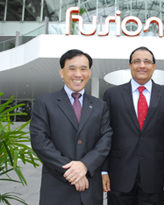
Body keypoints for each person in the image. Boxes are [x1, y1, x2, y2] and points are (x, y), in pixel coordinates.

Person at [30, 49, 112, 205]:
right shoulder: (45, 102)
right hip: (57, 188)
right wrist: (73, 173)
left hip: (90, 190)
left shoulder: (100, 106)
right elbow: (40, 141)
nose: (78, 74)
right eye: (72, 68)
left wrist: (85, 165)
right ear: (62, 72)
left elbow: (105, 139)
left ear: (89, 72)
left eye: (83, 69)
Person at [102, 46, 164, 205]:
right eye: (137, 61)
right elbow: (104, 135)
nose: (142, 65)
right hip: (119, 175)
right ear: (130, 65)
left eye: (147, 61)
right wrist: (104, 170)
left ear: (154, 66)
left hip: (156, 176)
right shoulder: (112, 95)